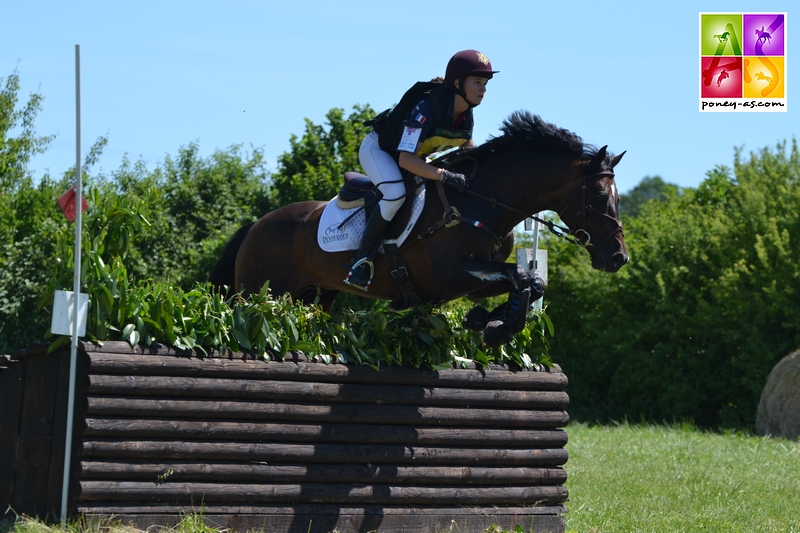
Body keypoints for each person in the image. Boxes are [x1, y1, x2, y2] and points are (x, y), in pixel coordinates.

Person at [344, 49, 498, 291]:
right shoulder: (426, 108)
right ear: (457, 83)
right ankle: (361, 261)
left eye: (485, 83)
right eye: (477, 82)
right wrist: (444, 174)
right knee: (395, 194)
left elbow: (468, 150)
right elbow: (405, 159)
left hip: (414, 157)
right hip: (381, 152)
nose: (483, 89)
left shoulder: (465, 115)